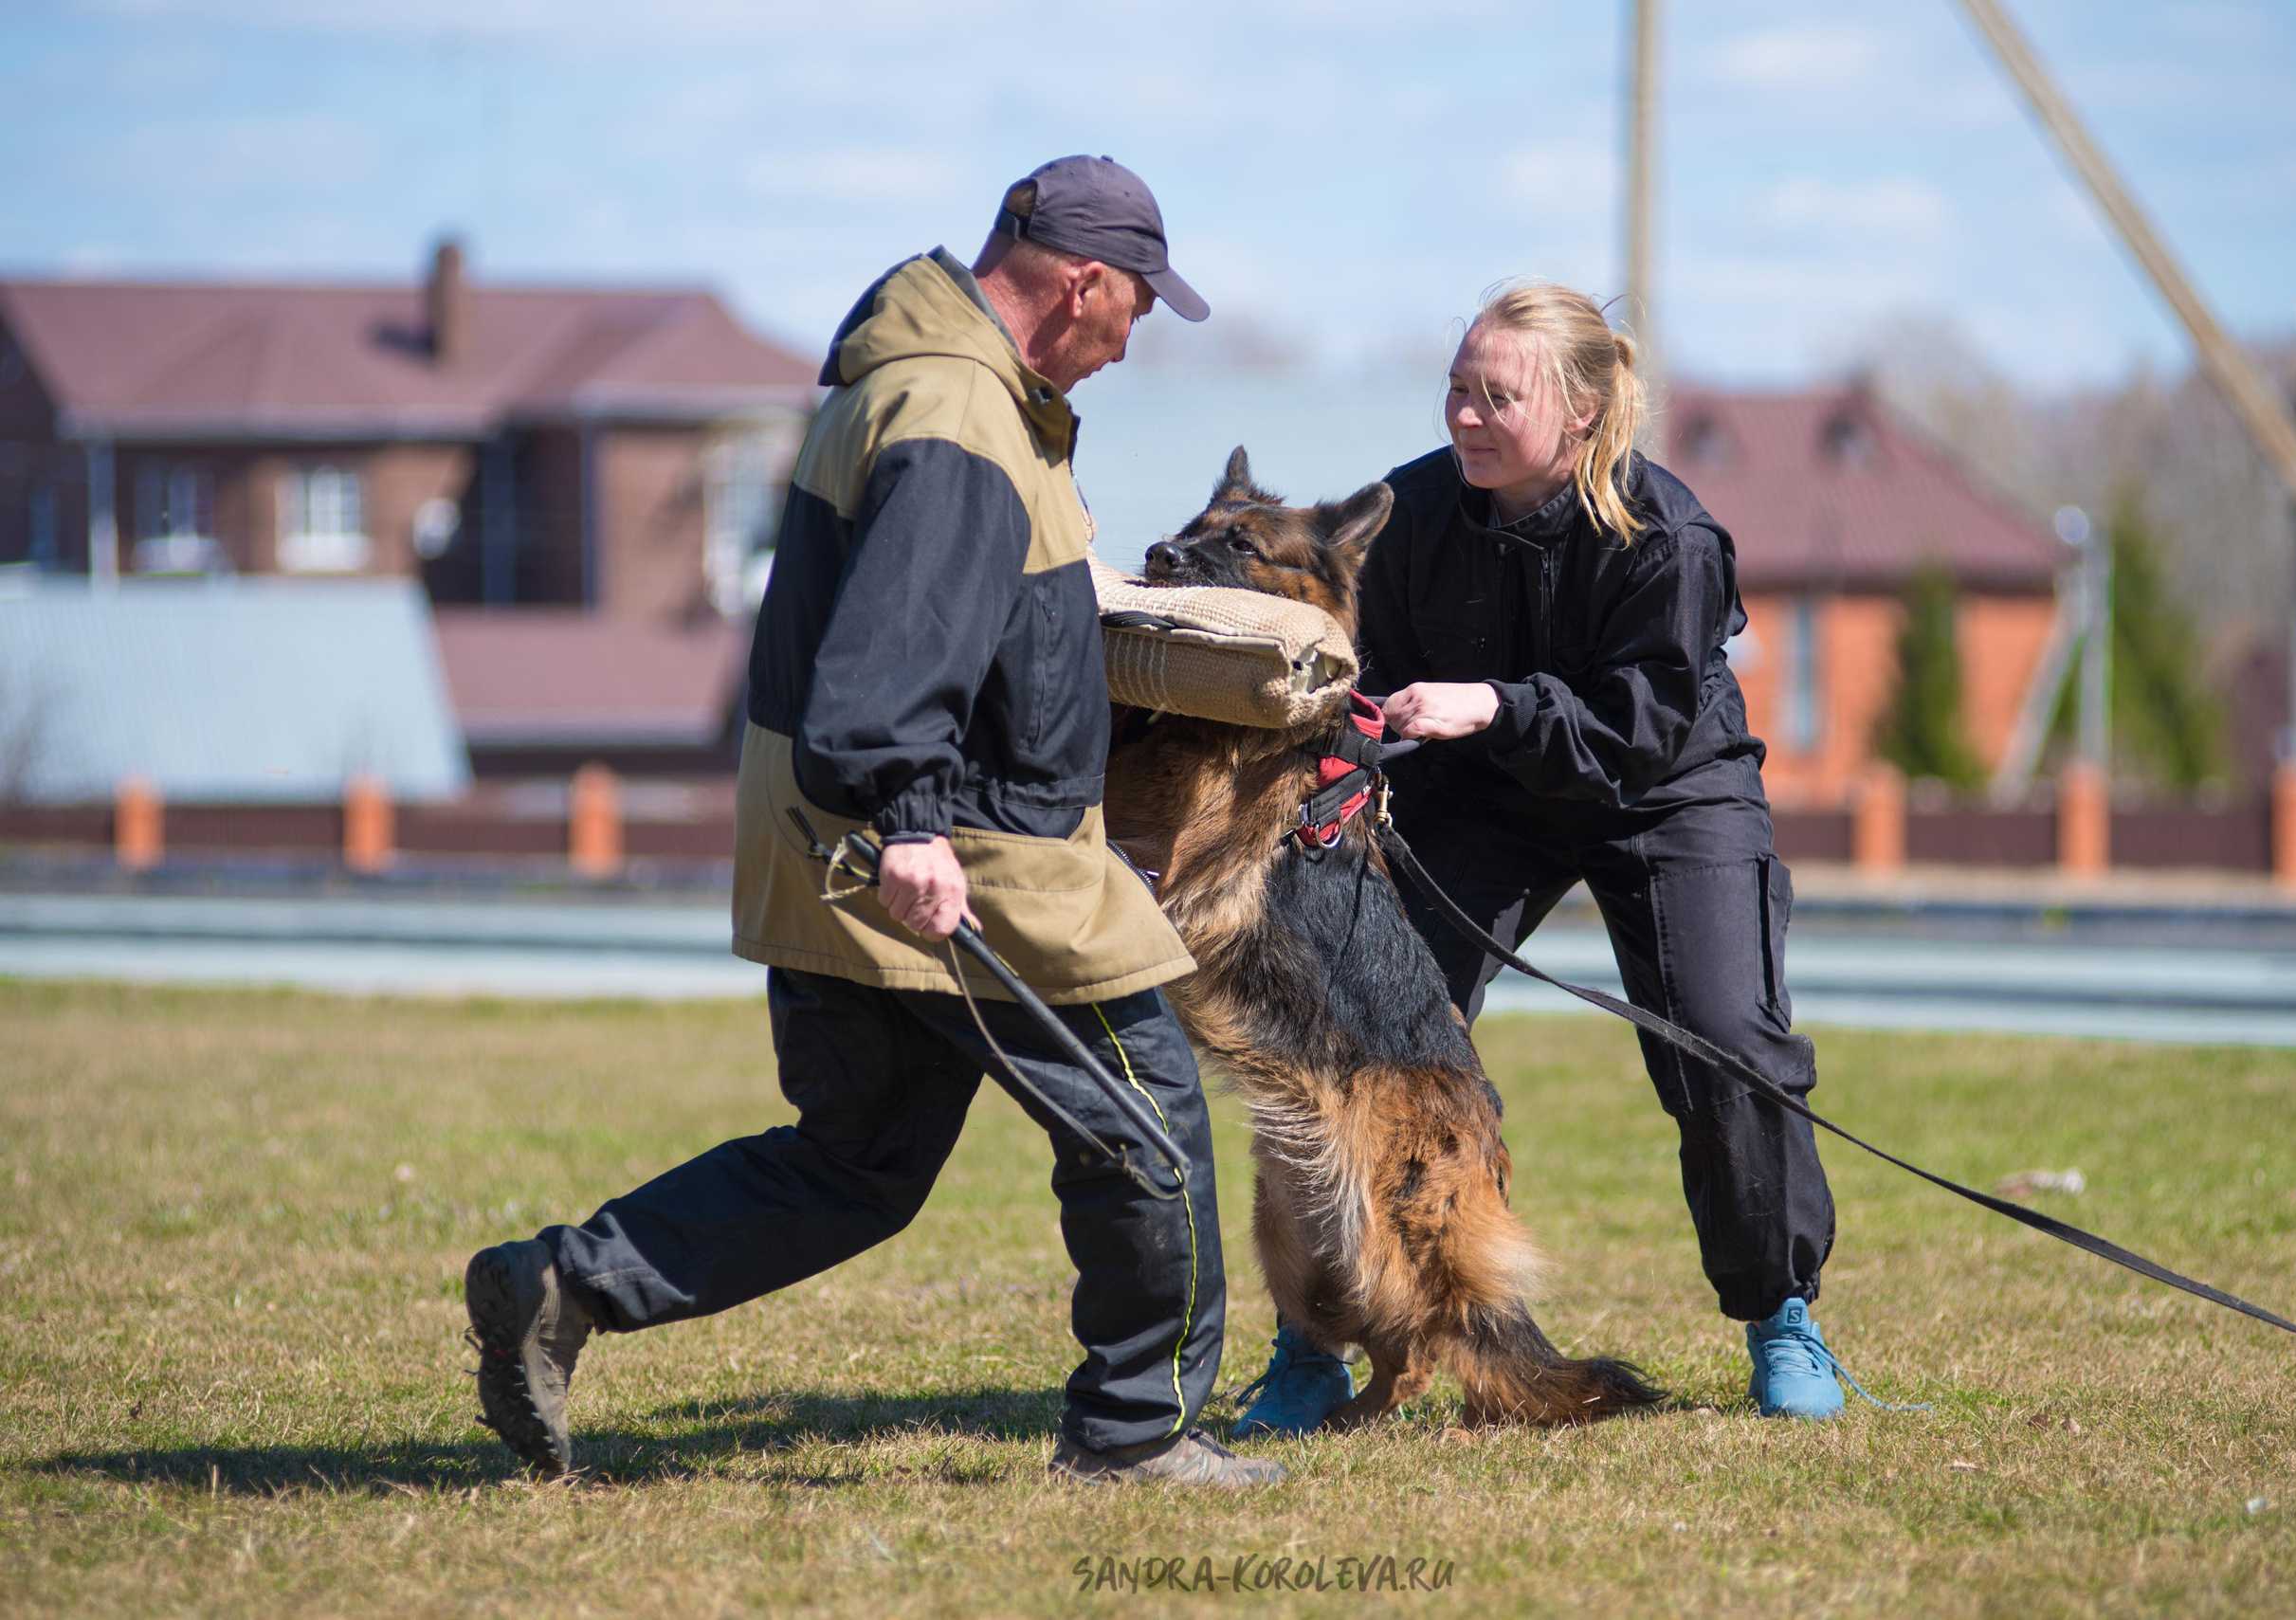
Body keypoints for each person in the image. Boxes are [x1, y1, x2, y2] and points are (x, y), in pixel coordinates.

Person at [465, 157, 1280, 1487]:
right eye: (1136, 308)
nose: (1132, 345)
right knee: (1145, 1124)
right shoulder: (959, 412)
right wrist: (911, 824)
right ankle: (1136, 1435)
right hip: (955, 852)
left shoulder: (927, 385)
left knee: (856, 1165)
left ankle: (566, 1283)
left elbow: (968, 611)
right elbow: (892, 661)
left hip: (838, 847)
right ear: (1080, 286)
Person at [1233, 281, 1848, 1432]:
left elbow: (1636, 729)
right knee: (1346, 1039)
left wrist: (1500, 705)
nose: (1462, 415)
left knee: (1725, 1036)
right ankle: (1308, 1338)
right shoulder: (1410, 514)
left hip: (1662, 785)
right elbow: (1351, 674)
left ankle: (1780, 1313)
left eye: (1493, 395)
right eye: (1456, 389)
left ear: (1578, 413)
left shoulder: (1668, 537)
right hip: (1473, 793)